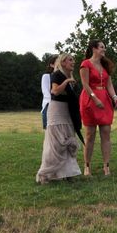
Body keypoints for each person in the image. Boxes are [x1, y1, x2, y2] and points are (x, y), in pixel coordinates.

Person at [35, 53, 82, 184]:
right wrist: (66, 82)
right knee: (56, 143)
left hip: (67, 112)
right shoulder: (57, 75)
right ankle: (45, 174)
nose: (73, 62)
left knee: (67, 139)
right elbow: (55, 91)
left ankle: (68, 173)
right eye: (70, 60)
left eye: (73, 60)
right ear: (63, 63)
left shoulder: (70, 76)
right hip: (57, 111)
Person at [79, 40, 117, 176]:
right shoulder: (85, 64)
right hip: (90, 99)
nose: (104, 49)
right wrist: (94, 98)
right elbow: (85, 84)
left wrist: (114, 97)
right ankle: (87, 166)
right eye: (102, 47)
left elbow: (109, 85)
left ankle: (106, 166)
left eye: (104, 47)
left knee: (106, 132)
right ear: (94, 49)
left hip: (105, 100)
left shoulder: (105, 65)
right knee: (90, 135)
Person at [40, 55, 57, 130]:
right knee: (49, 130)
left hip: (61, 105)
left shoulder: (64, 76)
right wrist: (53, 103)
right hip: (49, 104)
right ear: (52, 65)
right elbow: (46, 92)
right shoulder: (46, 76)